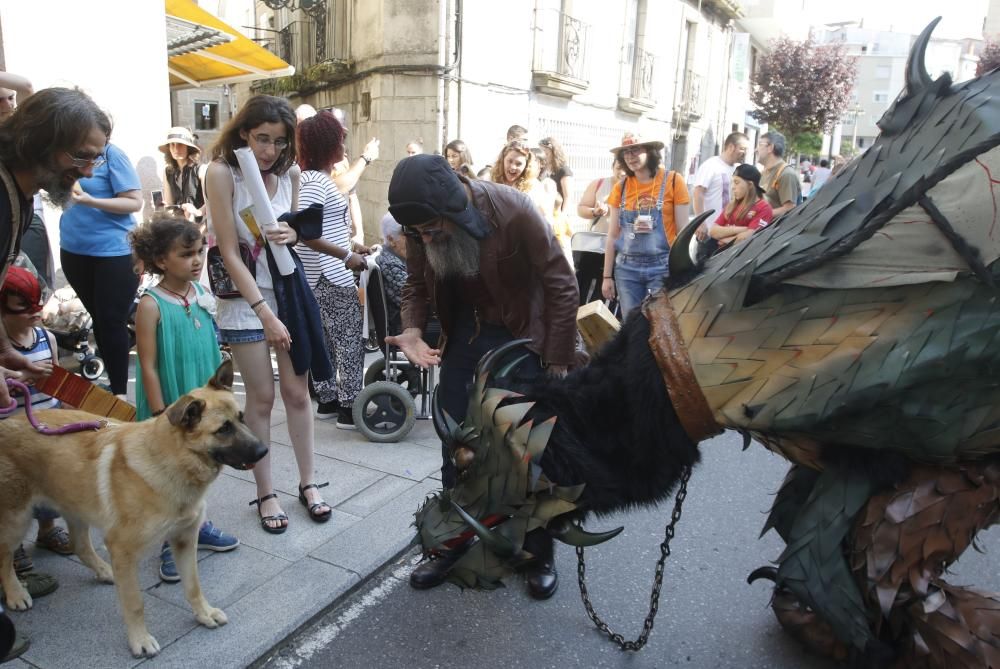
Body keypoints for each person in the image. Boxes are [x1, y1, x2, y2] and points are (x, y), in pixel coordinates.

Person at [385, 154, 578, 599]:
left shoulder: (514, 209)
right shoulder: (419, 226)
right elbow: (416, 284)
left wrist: (558, 357)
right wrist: (413, 329)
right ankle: (451, 542)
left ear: (456, 207)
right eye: (420, 234)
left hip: (522, 338)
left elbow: (560, 282)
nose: (427, 239)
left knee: (527, 449)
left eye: (434, 229)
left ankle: (537, 549)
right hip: (463, 340)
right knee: (457, 447)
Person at [0, 85, 112, 663]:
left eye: (96, 157)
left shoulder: (18, 192)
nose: (89, 169)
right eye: (82, 155)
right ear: (42, 141)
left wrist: (10, 359)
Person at [204, 95, 330, 533]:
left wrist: (293, 230)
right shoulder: (222, 173)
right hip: (245, 303)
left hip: (288, 295)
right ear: (244, 132)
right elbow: (227, 251)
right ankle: (265, 492)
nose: (269, 151)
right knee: (261, 398)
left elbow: (294, 233)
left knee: (299, 394)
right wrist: (264, 314)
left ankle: (309, 483)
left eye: (278, 141)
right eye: (261, 139)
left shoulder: (289, 173)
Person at [129, 212, 239, 582]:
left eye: (199, 252)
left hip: (203, 400)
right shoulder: (151, 304)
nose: (196, 261)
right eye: (186, 254)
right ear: (161, 260)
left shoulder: (203, 295)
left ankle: (198, 526)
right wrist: (162, 412)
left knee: (198, 470)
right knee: (170, 475)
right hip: (172, 405)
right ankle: (168, 541)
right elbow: (147, 366)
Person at [294, 110, 366, 429]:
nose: (344, 143)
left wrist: (352, 248)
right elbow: (307, 234)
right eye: (340, 138)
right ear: (329, 144)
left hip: (321, 274)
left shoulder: (311, 179)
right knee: (348, 340)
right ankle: (349, 407)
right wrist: (346, 256)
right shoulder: (315, 181)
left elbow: (318, 229)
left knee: (325, 340)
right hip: (328, 275)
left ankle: (329, 401)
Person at [0, 267, 66, 609]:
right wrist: (19, 377)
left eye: (35, 305)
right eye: (21, 307)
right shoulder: (2, 346)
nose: (32, 313)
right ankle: (13, 555)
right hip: (12, 438)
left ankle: (47, 530)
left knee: (49, 487)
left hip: (46, 425)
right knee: (15, 500)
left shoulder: (45, 338)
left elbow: (56, 382)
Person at [59, 138, 143, 400]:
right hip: (74, 250)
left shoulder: (112, 154)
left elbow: (134, 202)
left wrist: (89, 200)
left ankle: (120, 395)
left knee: (111, 321)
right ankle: (112, 388)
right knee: (99, 320)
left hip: (114, 252)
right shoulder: (64, 152)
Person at [601, 133, 690, 317]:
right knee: (632, 326)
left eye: (635, 150)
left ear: (650, 152)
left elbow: (683, 231)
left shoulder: (673, 181)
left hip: (663, 266)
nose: (630, 156)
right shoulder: (621, 186)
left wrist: (684, 270)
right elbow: (612, 234)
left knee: (662, 325)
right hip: (627, 269)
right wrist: (606, 276)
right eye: (625, 152)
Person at [708, 164, 773, 251]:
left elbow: (747, 238)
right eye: (732, 182)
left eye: (736, 182)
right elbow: (713, 231)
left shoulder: (764, 208)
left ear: (750, 185)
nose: (733, 187)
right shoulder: (732, 205)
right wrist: (742, 229)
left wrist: (724, 238)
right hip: (719, 257)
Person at [691, 132, 749, 218]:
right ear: (731, 147)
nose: (745, 153)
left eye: (746, 150)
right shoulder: (711, 165)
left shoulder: (739, 169)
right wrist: (700, 223)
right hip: (710, 227)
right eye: (742, 149)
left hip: (728, 227)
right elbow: (698, 193)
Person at [159, 127, 205, 223]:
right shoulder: (168, 172)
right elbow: (169, 204)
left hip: (200, 226)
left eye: (180, 144)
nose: (176, 149)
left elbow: (212, 202)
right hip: (178, 228)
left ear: (188, 147)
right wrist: (163, 208)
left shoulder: (201, 169)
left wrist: (198, 212)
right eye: (172, 145)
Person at [757, 131, 800, 218]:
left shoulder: (786, 174)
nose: (756, 149)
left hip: (774, 230)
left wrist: (760, 216)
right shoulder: (764, 172)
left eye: (760, 144)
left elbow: (789, 208)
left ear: (770, 147)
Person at [377, 212, 408, 335]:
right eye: (407, 235)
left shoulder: (396, 258)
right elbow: (410, 299)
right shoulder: (390, 264)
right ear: (391, 239)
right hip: (404, 325)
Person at [576, 158, 626, 233]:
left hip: (628, 242)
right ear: (612, 168)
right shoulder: (598, 184)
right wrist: (594, 212)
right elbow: (580, 210)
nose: (622, 172)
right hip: (599, 240)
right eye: (618, 168)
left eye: (626, 169)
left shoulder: (640, 188)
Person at [538, 136, 574, 214]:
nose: (543, 154)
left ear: (554, 151)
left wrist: (563, 215)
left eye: (545, 151)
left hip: (557, 212)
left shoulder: (563, 170)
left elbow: (568, 197)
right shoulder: (540, 169)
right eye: (541, 151)